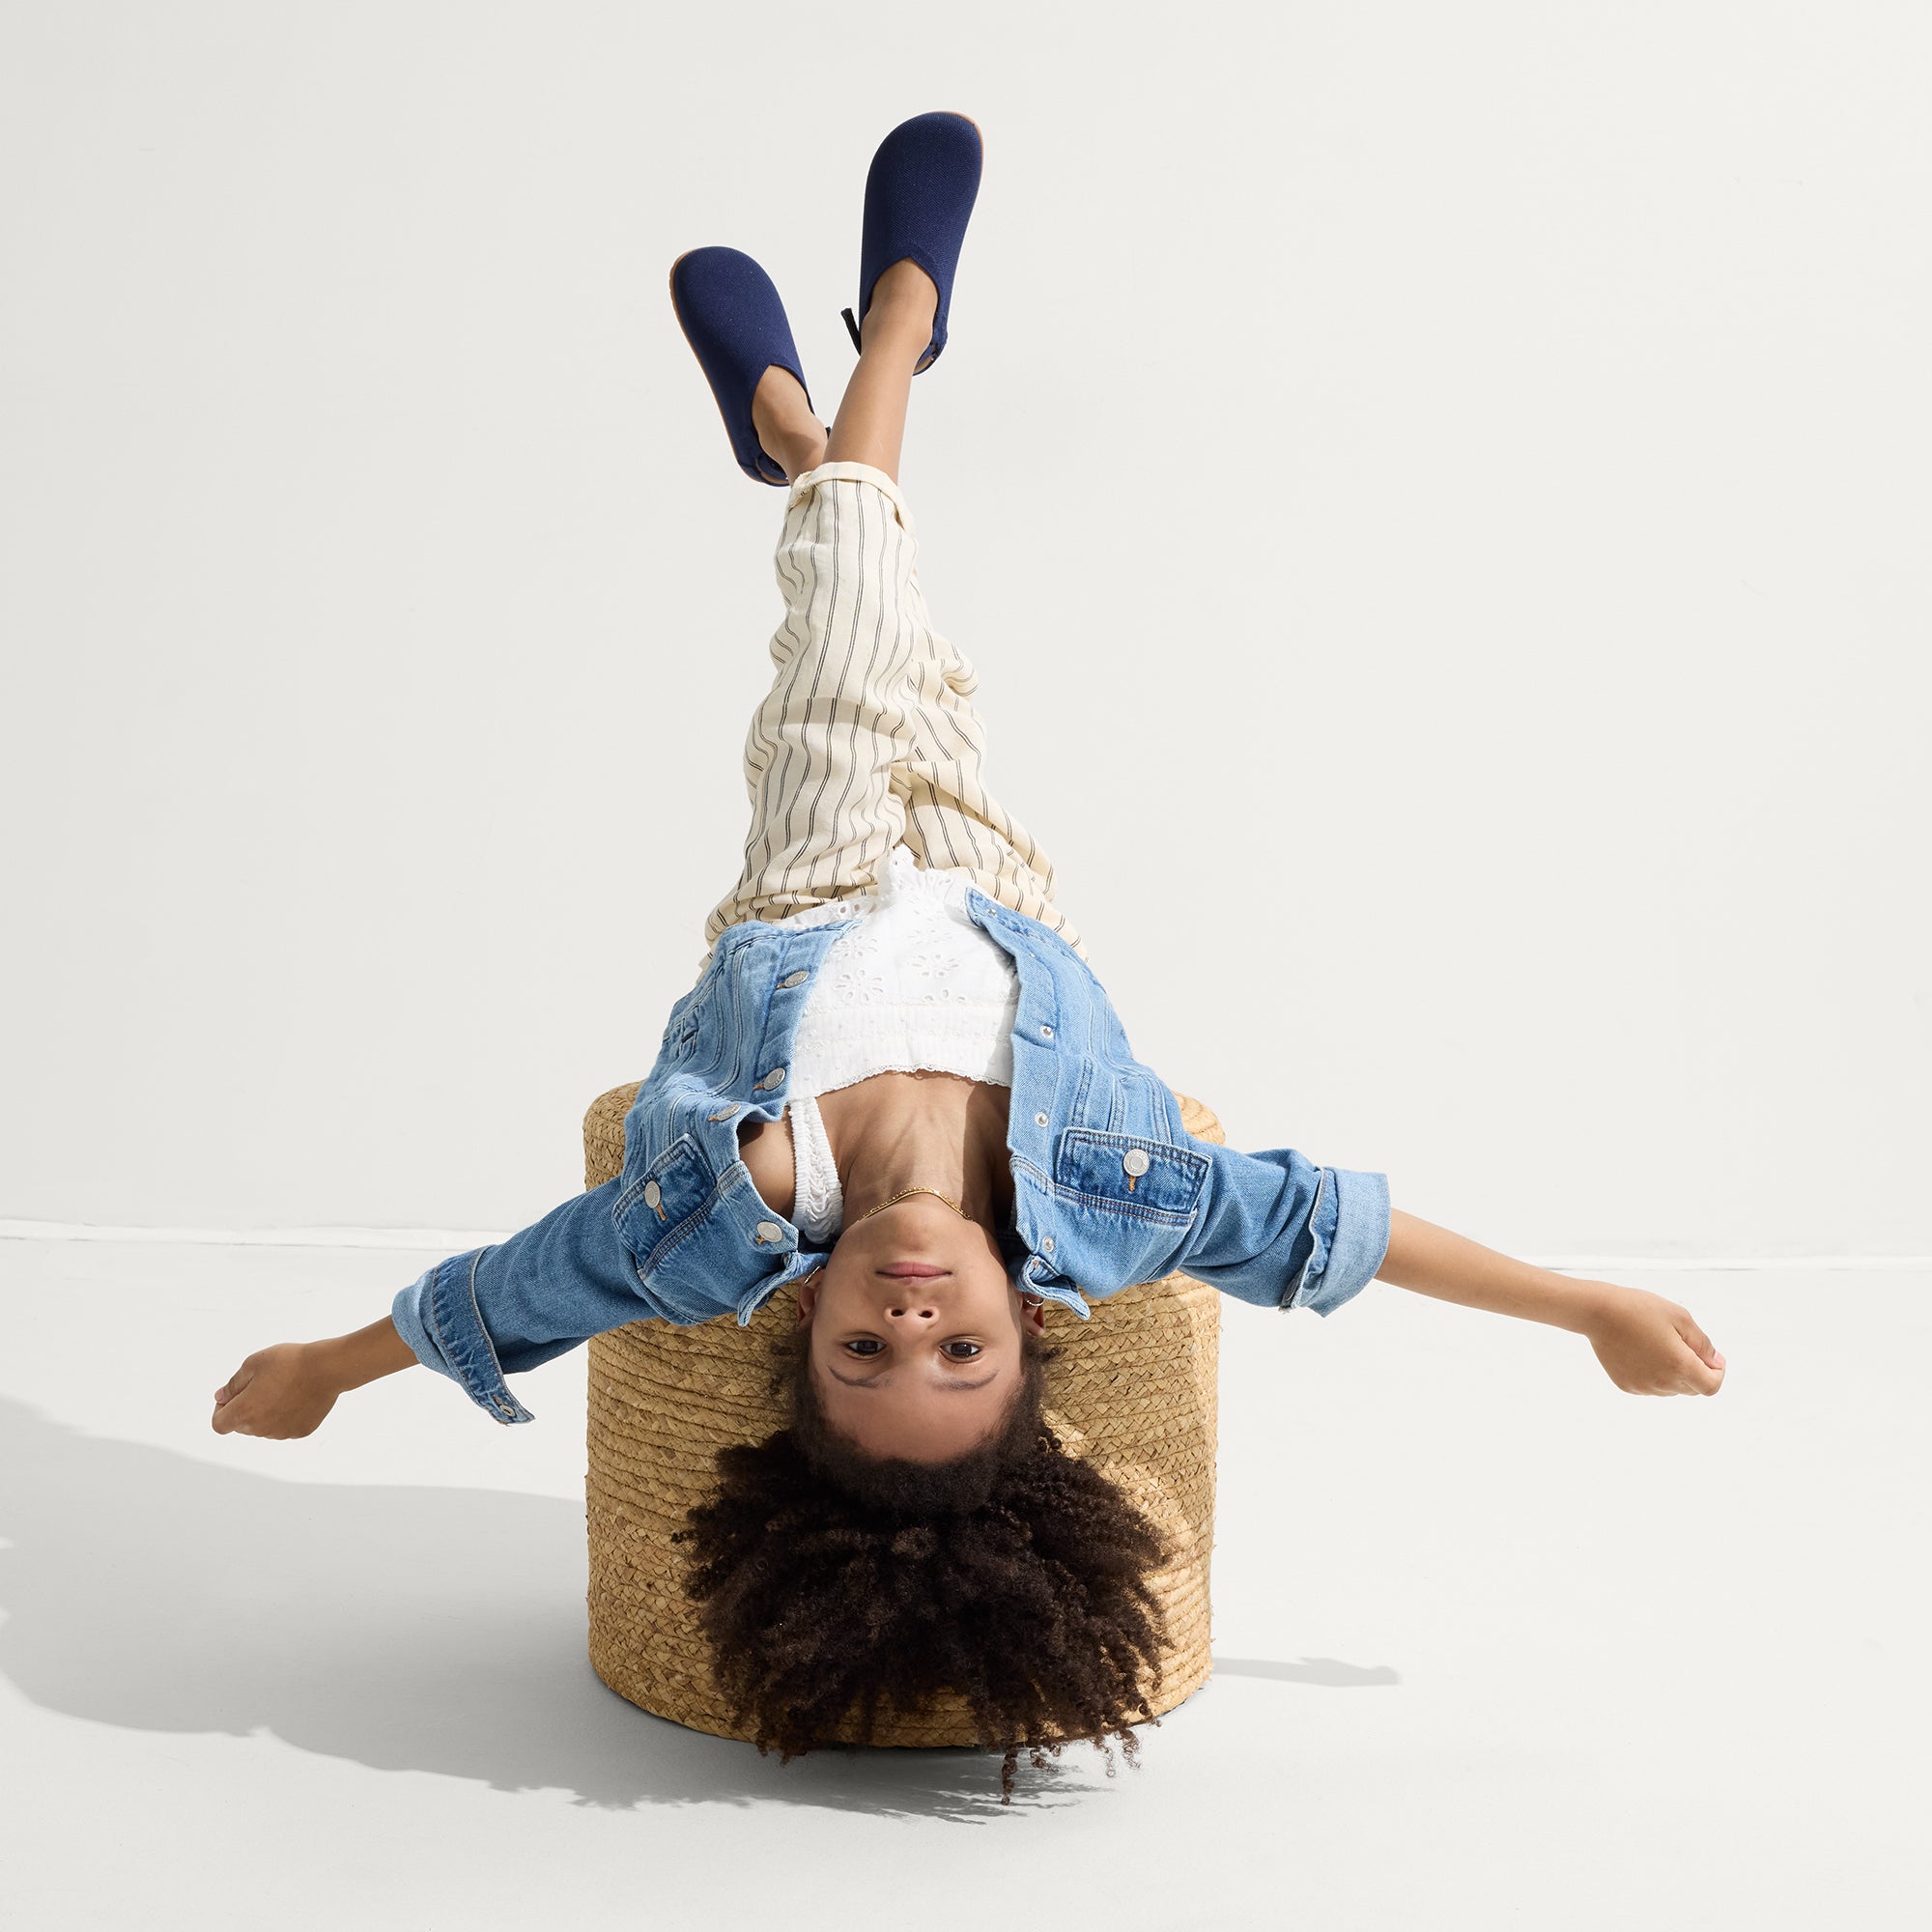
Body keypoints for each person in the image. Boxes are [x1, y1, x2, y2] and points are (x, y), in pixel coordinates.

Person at [211, 111, 1726, 1791]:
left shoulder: (734, 1215)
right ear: (1028, 1325)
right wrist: (1590, 1306)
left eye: (865, 1356)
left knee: (855, 595)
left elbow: (517, 1291)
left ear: (802, 1342)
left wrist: (326, 1375)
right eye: (958, 1353)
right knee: (890, 607)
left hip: (811, 880)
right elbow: (1330, 1228)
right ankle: (792, 424)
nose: (909, 1316)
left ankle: (903, 328)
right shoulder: (1124, 1197)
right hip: (1002, 892)